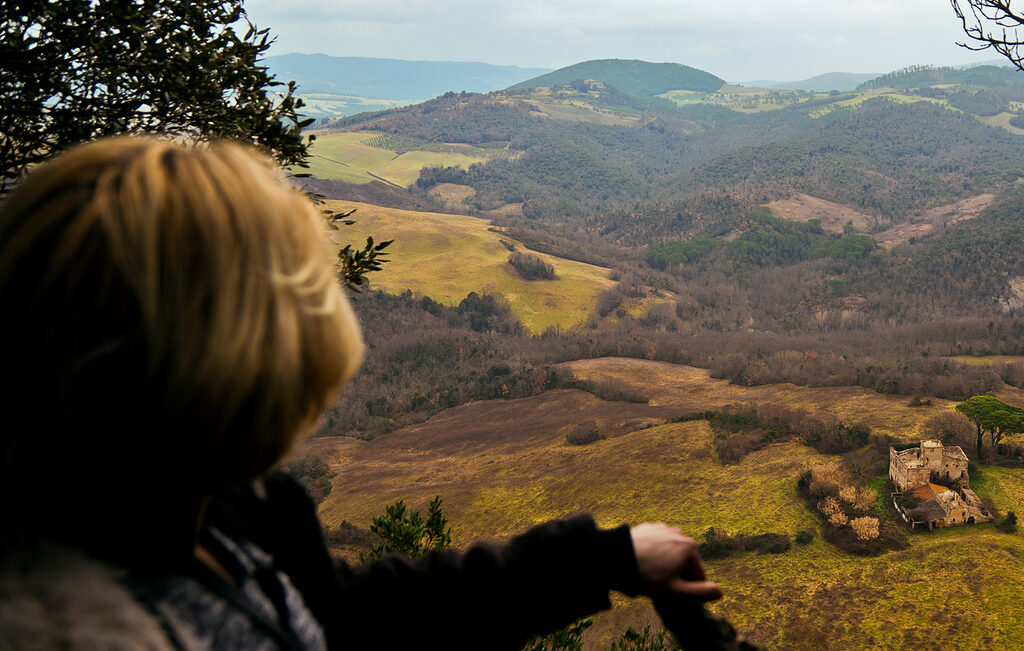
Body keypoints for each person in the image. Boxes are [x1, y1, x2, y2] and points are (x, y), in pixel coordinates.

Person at [0, 137, 721, 650]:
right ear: (232, 364)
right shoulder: (62, 622)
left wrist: (604, 559)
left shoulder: (206, 508)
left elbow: (350, 616)